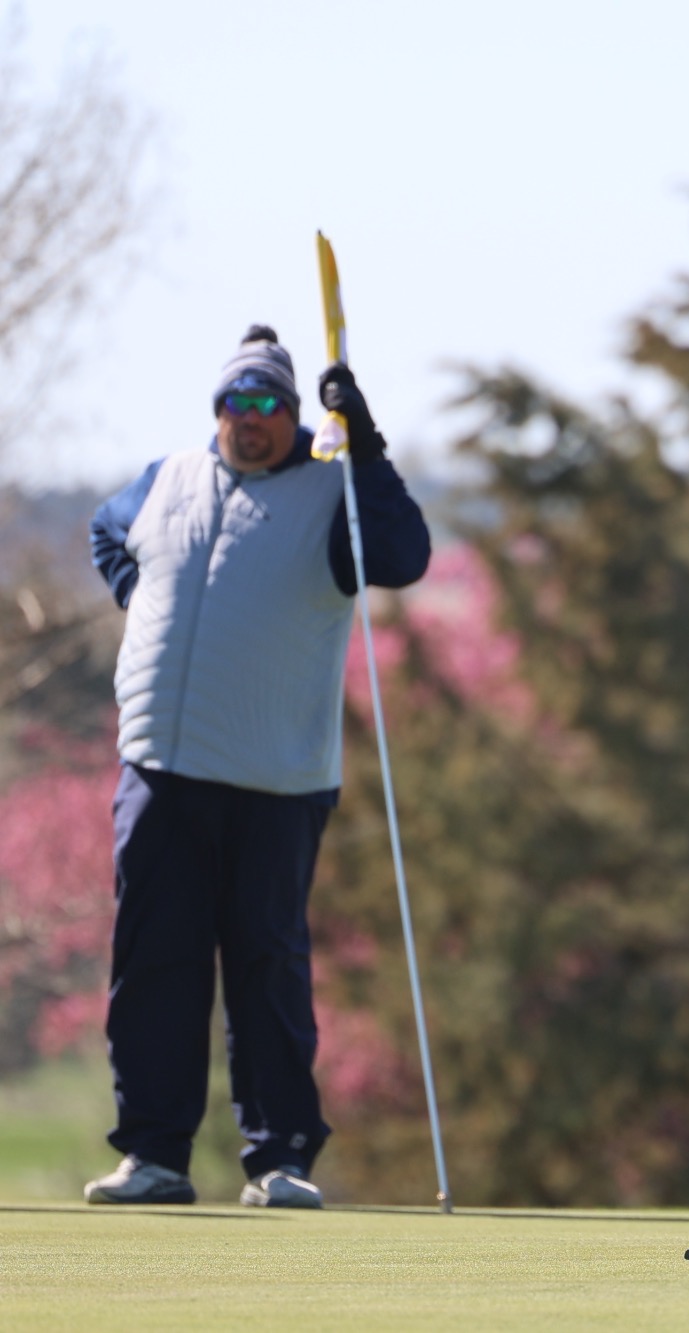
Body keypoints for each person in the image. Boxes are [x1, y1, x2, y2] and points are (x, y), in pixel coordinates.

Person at [80, 325, 430, 1208]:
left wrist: (367, 438)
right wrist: (140, 594)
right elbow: (104, 531)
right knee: (153, 960)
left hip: (278, 775)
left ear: (296, 417)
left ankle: (279, 1158)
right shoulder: (167, 479)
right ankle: (154, 1153)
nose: (254, 418)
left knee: (265, 967)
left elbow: (402, 556)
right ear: (218, 411)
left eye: (273, 403)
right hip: (160, 764)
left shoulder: (331, 490)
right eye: (239, 401)